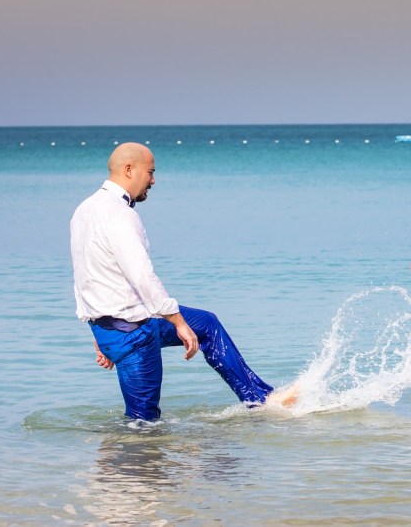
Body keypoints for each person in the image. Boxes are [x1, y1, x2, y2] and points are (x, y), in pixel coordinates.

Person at [71, 142, 294, 420]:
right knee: (143, 422)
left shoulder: (84, 209)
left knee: (207, 324)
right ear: (129, 170)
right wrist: (178, 323)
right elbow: (142, 276)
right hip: (133, 333)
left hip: (123, 324)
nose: (153, 180)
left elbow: (85, 276)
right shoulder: (121, 215)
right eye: (150, 172)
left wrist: (96, 327)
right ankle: (126, 461)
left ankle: (259, 398)